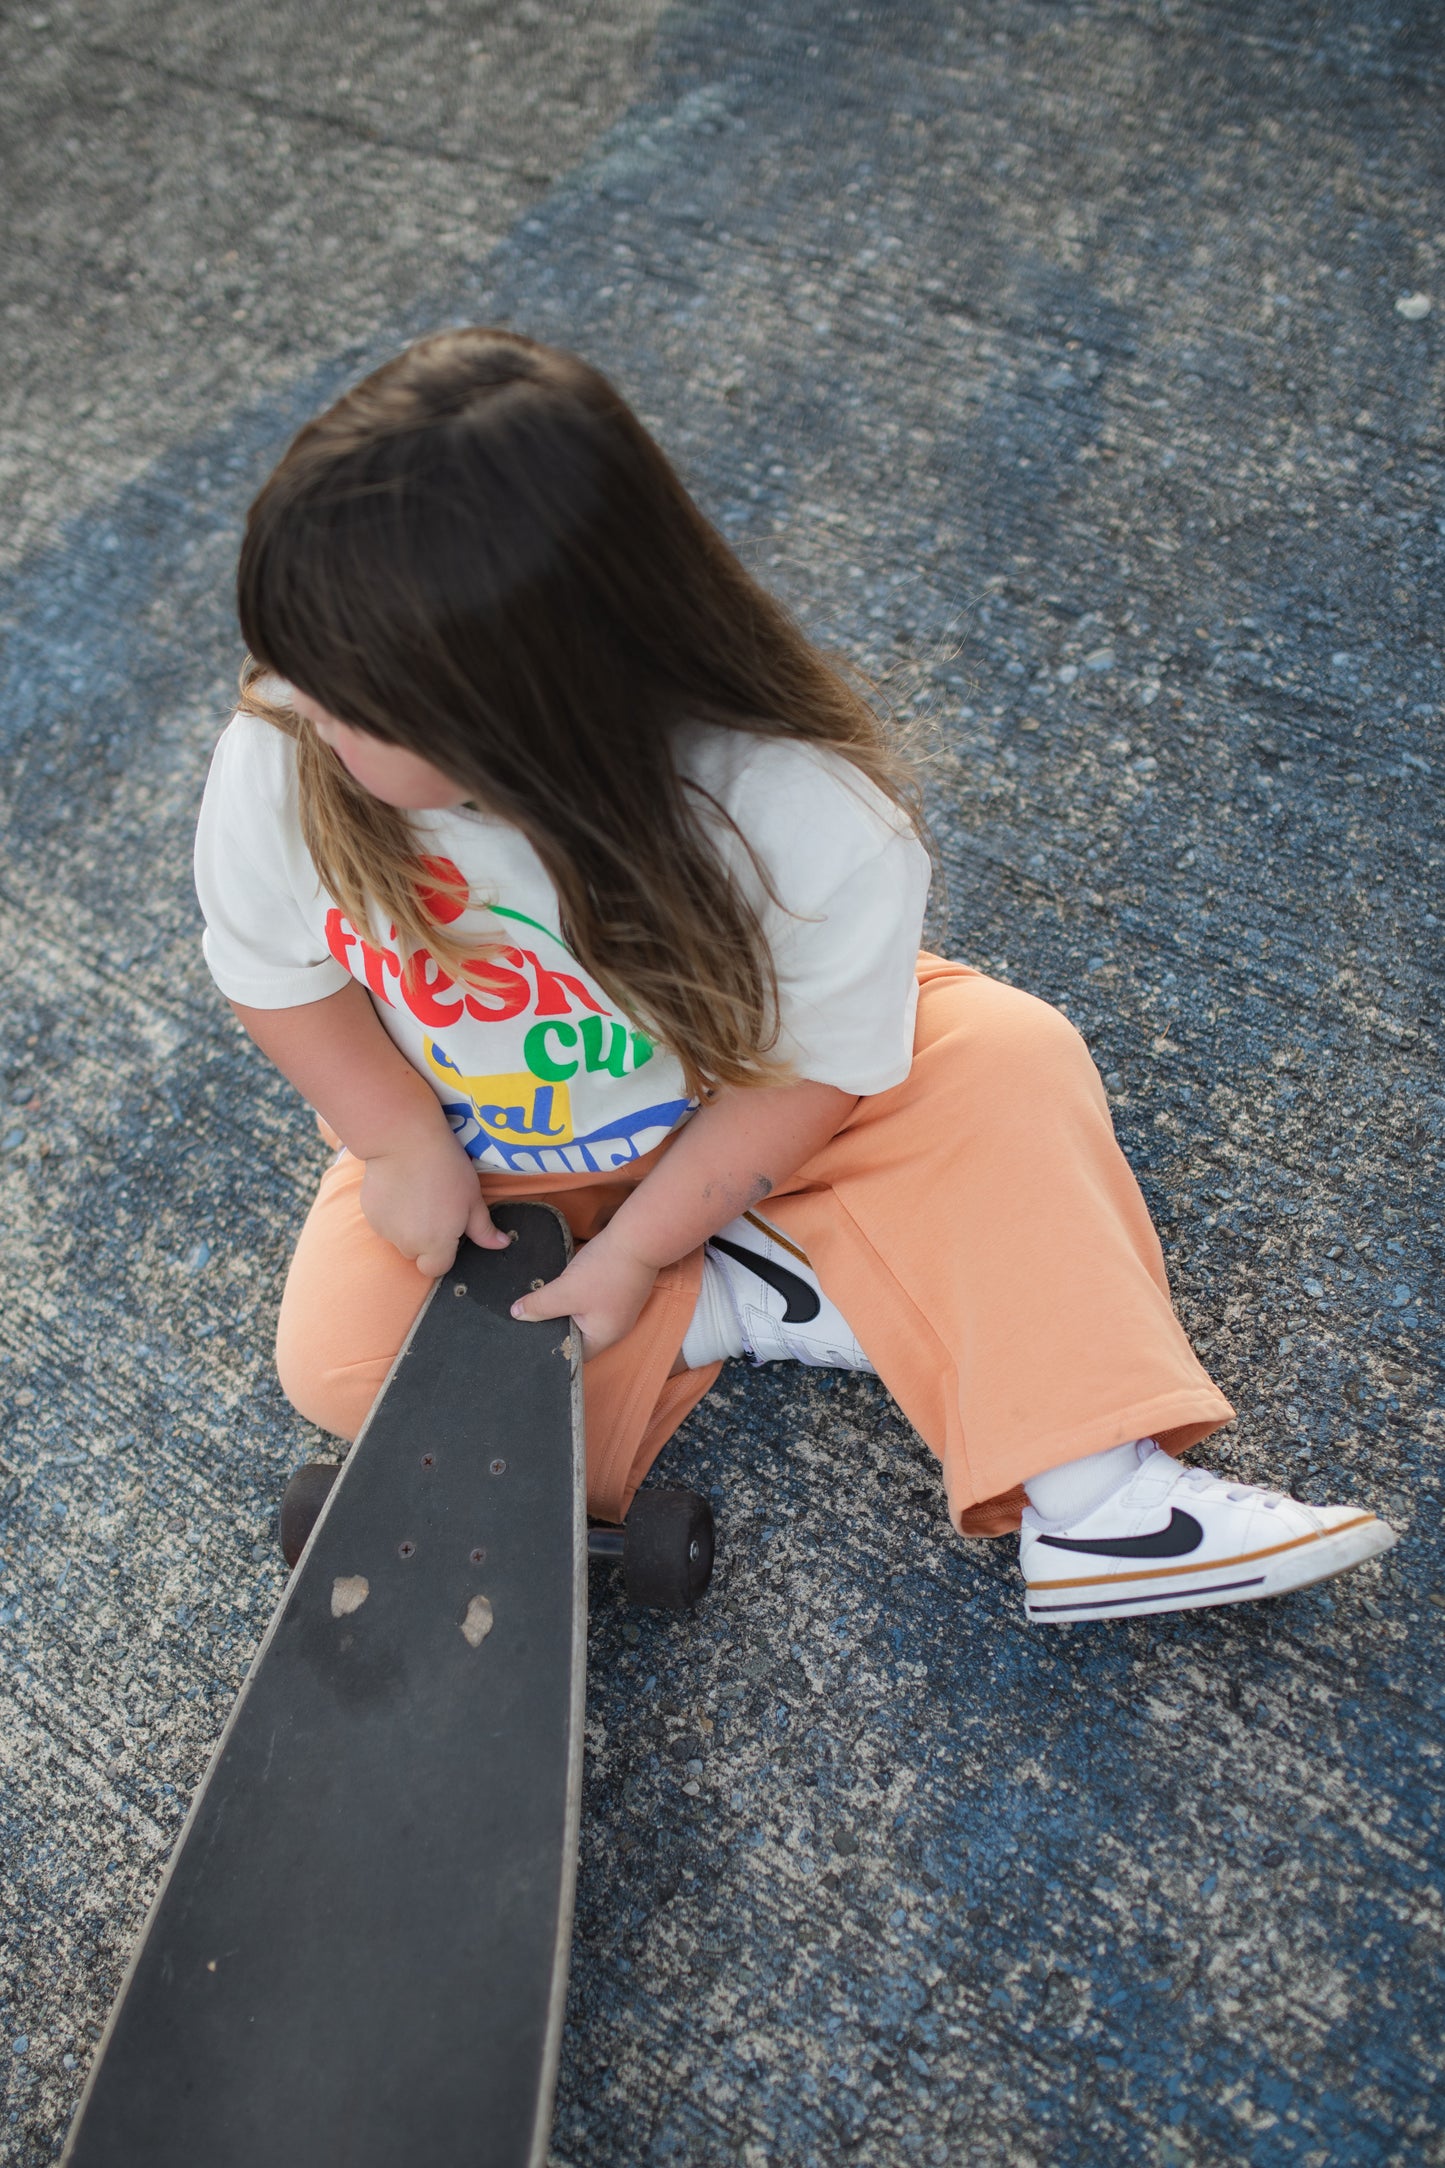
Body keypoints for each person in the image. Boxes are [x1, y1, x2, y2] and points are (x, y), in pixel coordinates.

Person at [193, 326, 1395, 1624]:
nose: (284, 706)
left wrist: (646, 1242)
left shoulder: (796, 812)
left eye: (336, 699)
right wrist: (397, 1143)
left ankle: (1102, 1497)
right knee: (340, 1365)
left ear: (506, 706)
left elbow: (821, 1067)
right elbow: (276, 971)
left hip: (770, 1111)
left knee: (1006, 1061)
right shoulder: (283, 753)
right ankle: (758, 1294)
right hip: (492, 1153)